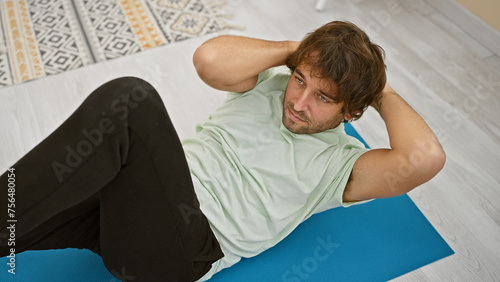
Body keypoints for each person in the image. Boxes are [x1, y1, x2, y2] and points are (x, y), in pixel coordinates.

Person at [0, 21, 445, 281]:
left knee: (130, 99)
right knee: (20, 217)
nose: (299, 102)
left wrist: (371, 83)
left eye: (324, 98)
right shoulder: (271, 87)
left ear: (352, 111)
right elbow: (208, 60)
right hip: (128, 211)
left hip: (178, 252)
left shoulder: (342, 167)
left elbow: (424, 158)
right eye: (301, 80)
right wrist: (307, 54)